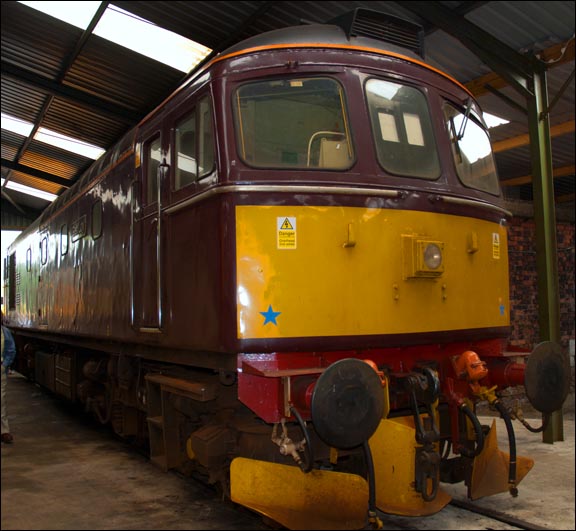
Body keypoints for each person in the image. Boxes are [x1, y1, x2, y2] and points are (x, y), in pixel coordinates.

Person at [1, 311, 16, 444]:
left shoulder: (5, 332)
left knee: (1, 400)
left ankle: (4, 431)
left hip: (0, 372)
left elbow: (11, 350)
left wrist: (4, 365)